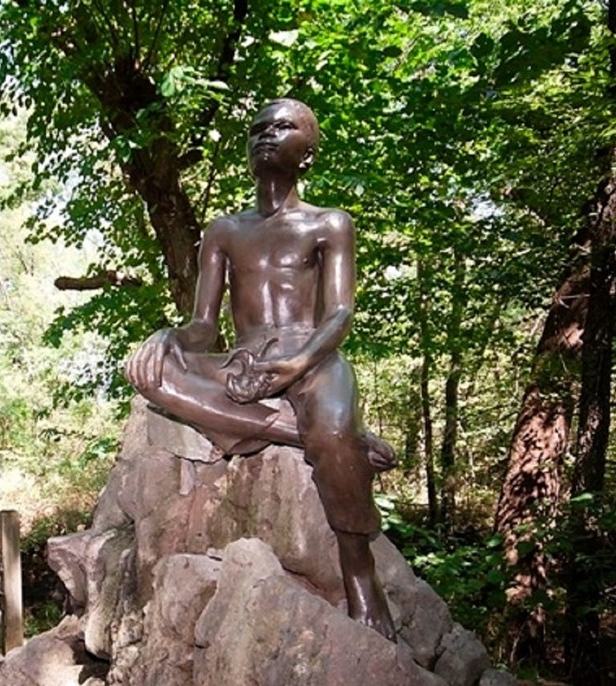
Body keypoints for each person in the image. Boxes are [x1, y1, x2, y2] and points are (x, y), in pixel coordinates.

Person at [123, 98, 397, 640]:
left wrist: (297, 362)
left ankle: (360, 576)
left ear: (308, 152)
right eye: (257, 130)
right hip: (245, 357)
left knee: (332, 419)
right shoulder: (224, 230)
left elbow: (340, 313)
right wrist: (167, 337)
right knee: (151, 373)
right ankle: (313, 437)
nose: (266, 136)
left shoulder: (329, 223)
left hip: (313, 355)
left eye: (282, 127)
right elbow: (203, 325)